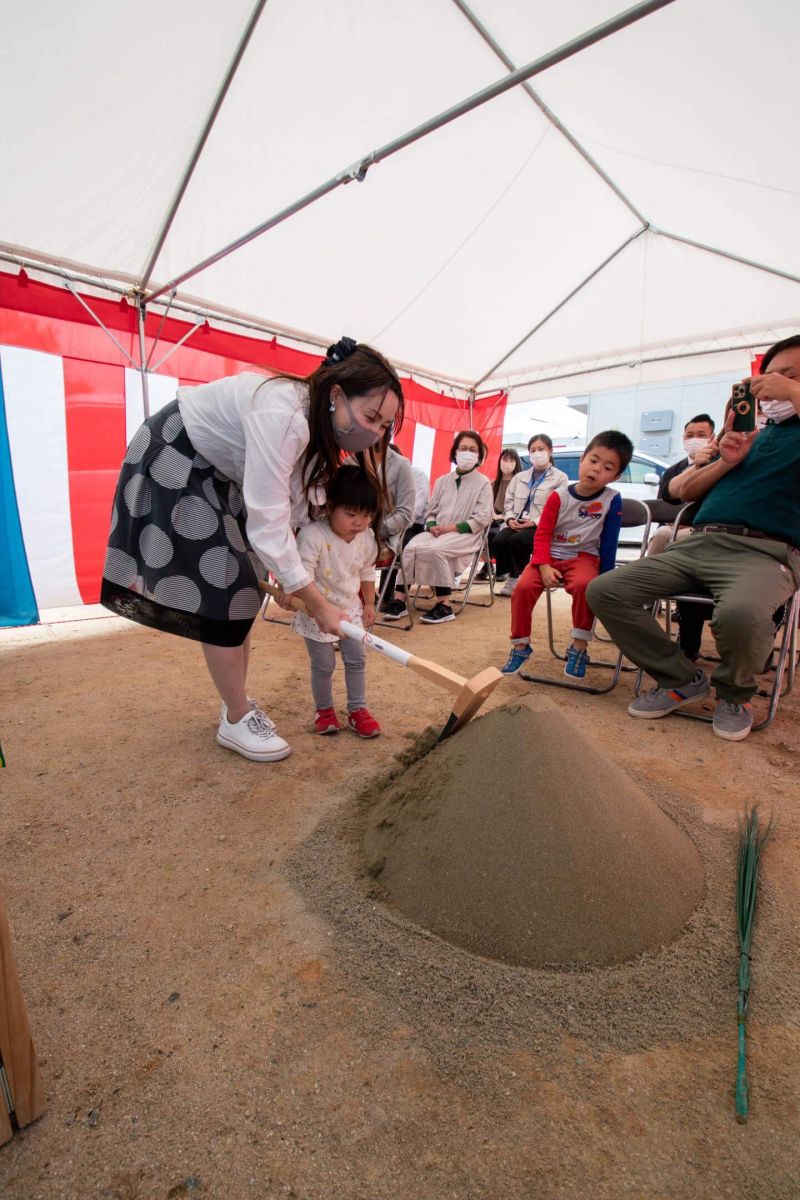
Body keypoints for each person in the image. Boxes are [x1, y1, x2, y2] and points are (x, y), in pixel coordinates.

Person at [100, 337, 402, 762]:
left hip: (220, 474)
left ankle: (234, 702)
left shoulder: (314, 427)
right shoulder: (284, 414)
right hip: (181, 455)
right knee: (225, 588)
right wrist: (316, 603)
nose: (376, 432)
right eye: (372, 417)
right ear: (336, 395)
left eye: (385, 425)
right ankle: (238, 717)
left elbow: (291, 508)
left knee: (243, 588)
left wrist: (291, 584)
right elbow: (269, 519)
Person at [587, 335, 800, 741]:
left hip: (767, 551)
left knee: (739, 613)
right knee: (606, 590)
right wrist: (727, 460)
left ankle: (735, 694)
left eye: (790, 377)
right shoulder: (750, 432)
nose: (775, 386)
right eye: (771, 376)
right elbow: (683, 490)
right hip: (699, 542)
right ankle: (683, 678)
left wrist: (790, 390)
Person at [501, 431, 632, 678]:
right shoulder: (558, 496)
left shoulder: (612, 499)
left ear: (616, 475)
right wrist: (542, 566)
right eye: (593, 460)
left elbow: (609, 543)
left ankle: (579, 647)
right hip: (548, 557)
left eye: (607, 467)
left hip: (584, 558)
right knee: (522, 589)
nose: (596, 470)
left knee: (586, 586)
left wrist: (604, 580)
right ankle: (520, 646)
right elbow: (542, 534)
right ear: (582, 459)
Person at [293, 465, 381, 738]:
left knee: (356, 661)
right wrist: (293, 594)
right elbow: (300, 574)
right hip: (315, 611)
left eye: (366, 515)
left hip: (351, 609)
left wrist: (368, 604)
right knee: (323, 665)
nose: (360, 522)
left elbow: (367, 570)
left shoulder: (366, 537)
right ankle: (325, 710)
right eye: (351, 514)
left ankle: (357, 709)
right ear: (330, 506)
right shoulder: (312, 535)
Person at [389, 430, 493, 624]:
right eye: (463, 448)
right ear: (455, 452)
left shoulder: (483, 483)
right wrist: (432, 525)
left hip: (466, 534)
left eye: (472, 449)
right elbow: (431, 511)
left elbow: (482, 518)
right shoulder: (442, 481)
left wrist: (450, 528)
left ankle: (444, 605)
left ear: (479, 455)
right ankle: (400, 600)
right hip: (437, 532)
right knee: (410, 548)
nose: (467, 453)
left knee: (435, 550)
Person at [647, 414, 718, 661]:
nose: (694, 440)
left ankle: (687, 644)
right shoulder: (673, 470)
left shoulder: (720, 465)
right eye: (690, 435)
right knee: (662, 533)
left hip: (702, 533)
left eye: (701, 435)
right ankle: (649, 590)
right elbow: (663, 502)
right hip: (673, 529)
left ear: (713, 437)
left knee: (685, 546)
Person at [492, 434, 568, 596]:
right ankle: (511, 574)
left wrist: (534, 522)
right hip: (517, 521)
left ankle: (518, 578)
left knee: (517, 541)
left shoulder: (560, 478)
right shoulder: (520, 477)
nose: (536, 453)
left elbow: (560, 508)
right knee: (499, 540)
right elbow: (509, 501)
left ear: (550, 451)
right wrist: (510, 518)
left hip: (541, 525)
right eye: (532, 450)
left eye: (541, 449)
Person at [374, 443, 420, 615]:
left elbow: (407, 514)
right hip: (351, 530)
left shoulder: (401, 466)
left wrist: (375, 531)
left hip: (386, 535)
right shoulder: (351, 461)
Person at [475, 448, 522, 581]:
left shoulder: (520, 484)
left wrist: (503, 517)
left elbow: (517, 508)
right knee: (481, 532)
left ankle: (503, 567)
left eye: (512, 460)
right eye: (505, 459)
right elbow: (486, 505)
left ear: (516, 463)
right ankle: (488, 564)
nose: (508, 463)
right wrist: (493, 514)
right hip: (493, 519)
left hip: (510, 520)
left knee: (495, 535)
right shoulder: (492, 484)